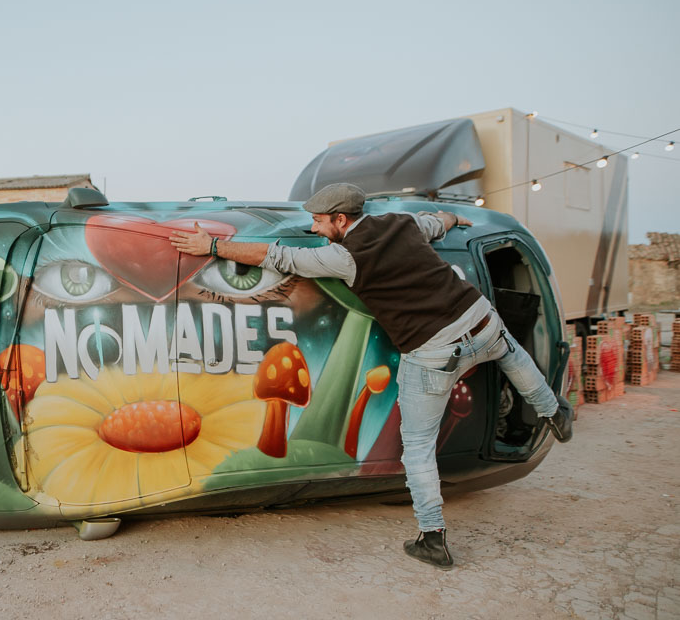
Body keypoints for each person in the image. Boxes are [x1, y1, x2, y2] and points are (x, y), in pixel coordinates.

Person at [169, 183, 572, 570]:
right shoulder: (402, 222)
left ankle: (432, 538)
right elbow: (438, 223)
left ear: (341, 220)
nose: (313, 229)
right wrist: (454, 216)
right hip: (479, 320)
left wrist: (214, 247)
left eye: (319, 221)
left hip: (434, 351)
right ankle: (554, 413)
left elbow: (278, 257)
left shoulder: (344, 258)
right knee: (512, 355)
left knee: (416, 446)